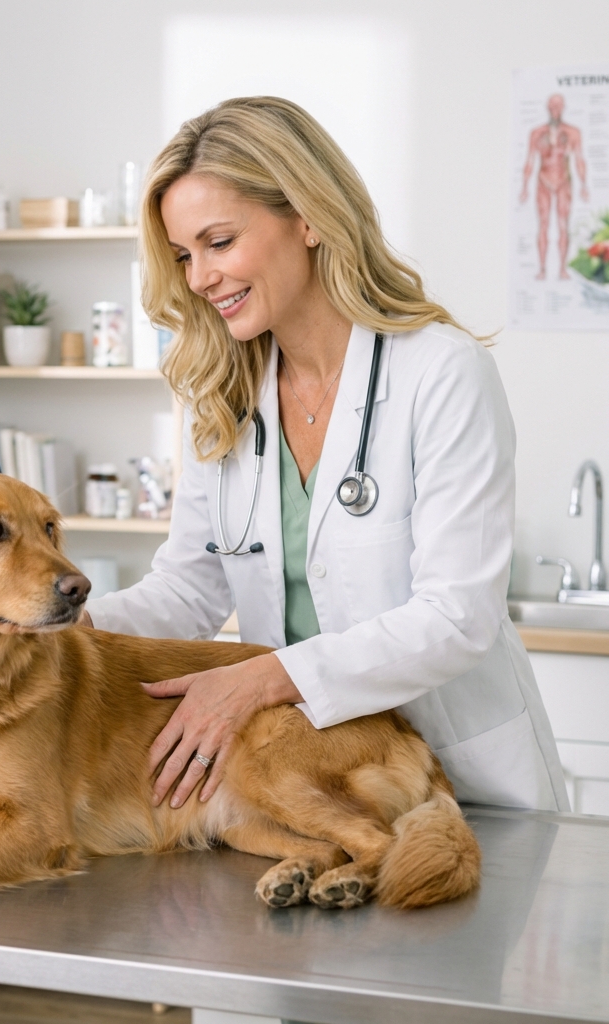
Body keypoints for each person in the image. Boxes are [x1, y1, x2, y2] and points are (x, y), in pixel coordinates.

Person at [84, 96, 568, 816]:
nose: (197, 278)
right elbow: (187, 593)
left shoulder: (441, 372)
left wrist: (264, 678)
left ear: (307, 216)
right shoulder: (222, 394)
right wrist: (64, 627)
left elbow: (458, 614)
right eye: (184, 256)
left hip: (467, 784)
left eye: (219, 243)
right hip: (311, 780)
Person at [520, 93, 588, 281]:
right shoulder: (537, 133)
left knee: (563, 225)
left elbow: (579, 159)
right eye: (552, 106)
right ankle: (542, 268)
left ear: (563, 107)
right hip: (543, 180)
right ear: (548, 108)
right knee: (543, 224)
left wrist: (583, 184)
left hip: (564, 181)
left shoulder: (573, 133)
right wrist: (524, 186)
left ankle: (562, 269)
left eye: (558, 106)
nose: (555, 110)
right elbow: (530, 161)